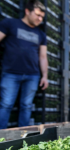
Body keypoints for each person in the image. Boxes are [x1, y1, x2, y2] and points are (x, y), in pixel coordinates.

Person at [0, 0, 48, 129]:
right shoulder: (10, 24)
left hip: (32, 75)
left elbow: (43, 57)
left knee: (26, 106)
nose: (40, 19)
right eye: (37, 15)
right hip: (11, 73)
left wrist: (45, 76)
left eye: (42, 17)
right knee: (6, 104)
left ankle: (23, 139)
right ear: (27, 11)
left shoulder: (41, 34)